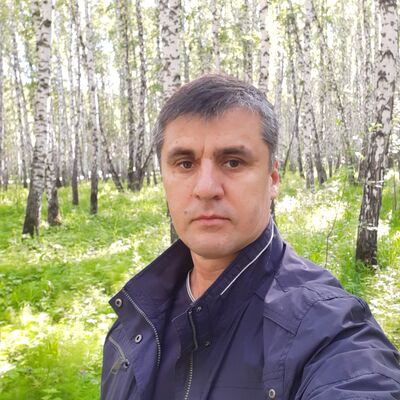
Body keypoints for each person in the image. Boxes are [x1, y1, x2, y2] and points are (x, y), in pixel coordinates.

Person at [101, 74, 400, 400]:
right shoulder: (135, 322)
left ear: (272, 179)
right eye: (185, 164)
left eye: (233, 162)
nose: (206, 188)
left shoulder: (325, 329)